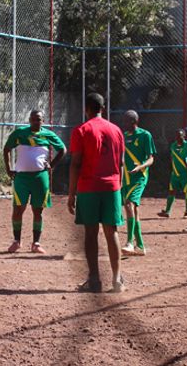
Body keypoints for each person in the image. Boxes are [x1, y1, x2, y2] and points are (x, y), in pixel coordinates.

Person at [67, 93, 126, 293]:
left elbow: (76, 163)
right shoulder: (116, 130)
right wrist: (120, 187)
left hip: (88, 188)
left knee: (91, 234)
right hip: (112, 187)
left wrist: (71, 193)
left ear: (87, 109)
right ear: (103, 108)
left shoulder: (81, 130)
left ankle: (94, 280)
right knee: (112, 232)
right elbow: (122, 163)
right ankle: (117, 280)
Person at [3, 110, 66, 254]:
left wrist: (52, 164)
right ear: (29, 120)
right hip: (21, 178)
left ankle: (36, 243)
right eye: (33, 119)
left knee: (38, 211)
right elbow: (6, 149)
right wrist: (8, 170)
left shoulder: (48, 134)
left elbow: (62, 149)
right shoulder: (19, 133)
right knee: (18, 209)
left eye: (38, 119)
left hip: (40, 177)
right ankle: (16, 241)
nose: (35, 122)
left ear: (42, 121)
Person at [120, 110, 155, 257]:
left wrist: (140, 167)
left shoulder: (145, 135)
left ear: (134, 122)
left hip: (139, 177)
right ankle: (140, 246)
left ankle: (129, 243)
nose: (124, 123)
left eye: (126, 121)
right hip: (126, 178)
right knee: (133, 210)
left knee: (129, 204)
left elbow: (151, 158)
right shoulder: (123, 136)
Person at [158, 129, 187, 219]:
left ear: (184, 136)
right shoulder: (173, 145)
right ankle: (167, 211)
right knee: (171, 191)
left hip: (185, 174)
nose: (177, 138)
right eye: (176, 136)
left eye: (179, 136)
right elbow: (172, 158)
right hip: (175, 174)